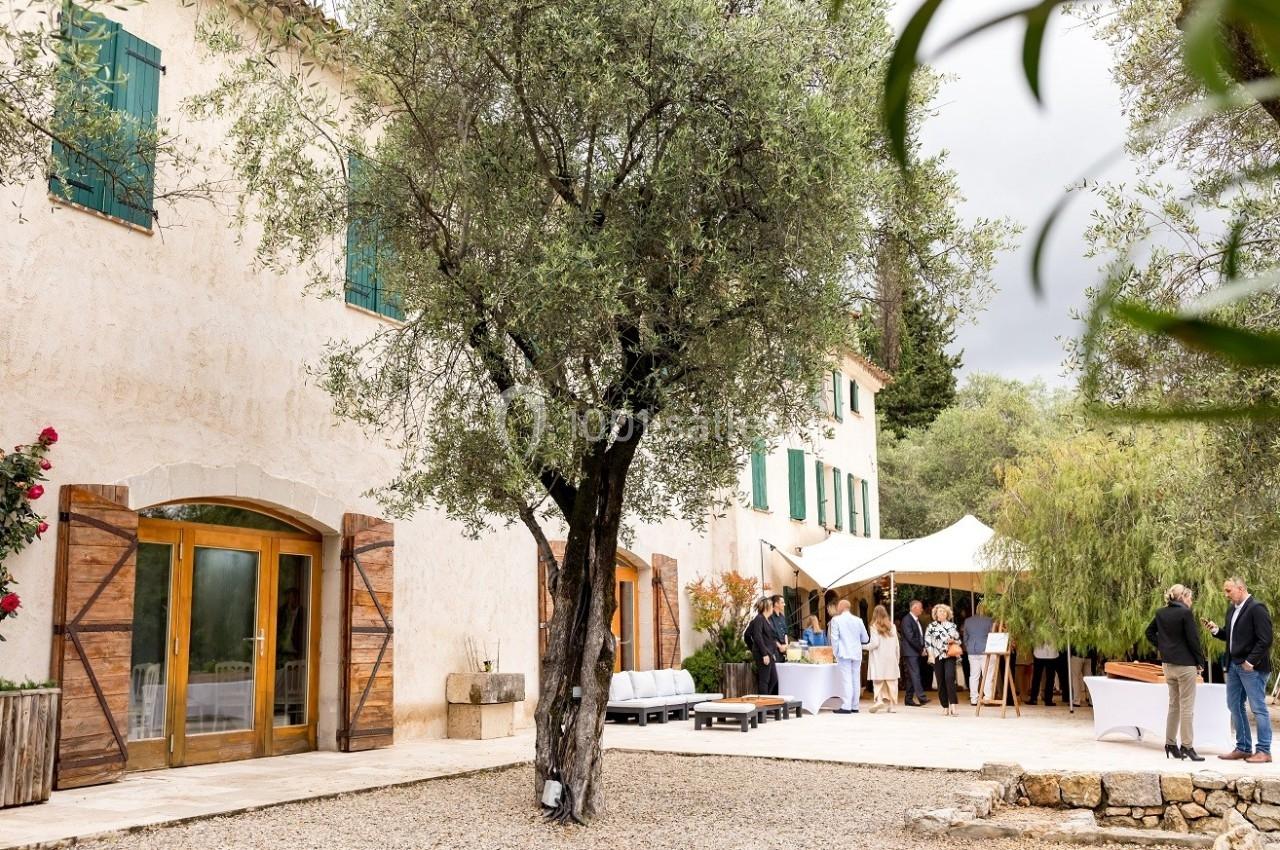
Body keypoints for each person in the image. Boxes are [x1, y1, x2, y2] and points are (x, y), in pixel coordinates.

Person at [1206, 577, 1274, 763]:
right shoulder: (1232, 609)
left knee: (1258, 708)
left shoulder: (1257, 608)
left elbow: (1265, 639)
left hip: (1253, 668)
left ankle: (1264, 751)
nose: (1226, 594)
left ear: (1241, 588)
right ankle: (1243, 747)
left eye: (1229, 590)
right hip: (1235, 666)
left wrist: (1251, 661)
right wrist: (1216, 630)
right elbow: (1231, 635)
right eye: (1225, 590)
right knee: (1233, 705)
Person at [1145, 583, 1207, 761]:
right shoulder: (1185, 613)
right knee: (1187, 707)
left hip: (1168, 665)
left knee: (1174, 706)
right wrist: (1200, 662)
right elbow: (1193, 640)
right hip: (1185, 665)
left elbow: (1149, 633)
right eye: (1189, 598)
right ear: (1182, 597)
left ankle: (1170, 743)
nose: (1191, 601)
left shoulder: (1161, 612)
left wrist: (1163, 647)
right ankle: (1187, 746)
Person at [829, 599, 869, 714]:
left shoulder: (836, 620)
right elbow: (865, 639)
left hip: (843, 653)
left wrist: (835, 653)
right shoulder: (858, 620)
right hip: (856, 653)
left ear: (841, 607)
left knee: (846, 679)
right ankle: (855, 706)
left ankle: (846, 706)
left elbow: (834, 639)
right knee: (855, 679)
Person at [925, 603, 962, 716]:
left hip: (949, 655)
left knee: (949, 678)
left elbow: (959, 641)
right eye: (940, 611)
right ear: (936, 614)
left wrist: (953, 641)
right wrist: (930, 654)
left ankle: (953, 705)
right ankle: (945, 706)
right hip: (937, 656)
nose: (942, 613)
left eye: (944, 611)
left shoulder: (952, 626)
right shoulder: (931, 627)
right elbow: (928, 642)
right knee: (940, 682)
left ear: (947, 614)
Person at [865, 604, 900, 713]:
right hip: (891, 658)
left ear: (875, 614)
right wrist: (897, 658)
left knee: (878, 680)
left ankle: (879, 700)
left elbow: (874, 644)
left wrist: (863, 646)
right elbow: (897, 645)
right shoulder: (892, 626)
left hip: (878, 658)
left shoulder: (874, 626)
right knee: (891, 682)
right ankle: (892, 706)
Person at [745, 597, 779, 696]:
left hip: (769, 653)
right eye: (772, 606)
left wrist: (772, 652)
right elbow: (757, 636)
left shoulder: (767, 620)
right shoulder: (759, 618)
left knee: (773, 679)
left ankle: (766, 702)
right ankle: (763, 707)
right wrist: (759, 652)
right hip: (763, 654)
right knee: (765, 680)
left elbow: (769, 638)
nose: (773, 608)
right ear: (767, 607)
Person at [899, 600, 930, 707]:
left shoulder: (916, 620)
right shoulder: (907, 620)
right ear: (914, 608)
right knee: (915, 674)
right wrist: (921, 649)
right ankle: (922, 697)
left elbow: (919, 636)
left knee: (911, 676)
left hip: (914, 651)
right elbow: (911, 637)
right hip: (910, 652)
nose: (922, 609)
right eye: (920, 607)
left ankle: (908, 699)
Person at [963, 602, 994, 707]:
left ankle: (974, 699)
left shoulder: (968, 621)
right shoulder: (990, 620)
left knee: (974, 675)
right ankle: (987, 698)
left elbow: (965, 638)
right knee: (987, 675)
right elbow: (993, 636)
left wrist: (968, 646)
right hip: (986, 650)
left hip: (972, 650)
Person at [1028, 643, 1061, 707]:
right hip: (1048, 653)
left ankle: (1034, 699)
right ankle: (1047, 700)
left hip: (1044, 653)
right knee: (1048, 678)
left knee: (1038, 677)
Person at [768, 594, 788, 665]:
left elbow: (786, 632)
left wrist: (786, 645)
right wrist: (780, 646)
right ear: (776, 604)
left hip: (784, 649)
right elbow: (770, 634)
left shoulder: (782, 617)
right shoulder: (770, 617)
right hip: (775, 649)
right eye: (782, 602)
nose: (784, 604)